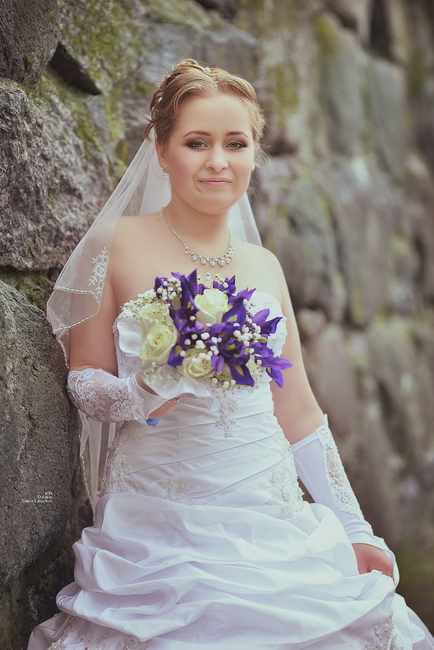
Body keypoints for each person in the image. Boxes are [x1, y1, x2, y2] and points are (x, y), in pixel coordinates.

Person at [28, 59, 434, 649]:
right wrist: (139, 394)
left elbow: (296, 409)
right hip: (158, 518)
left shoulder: (264, 266)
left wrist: (353, 525)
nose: (218, 160)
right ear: (162, 151)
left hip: (267, 511)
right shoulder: (118, 244)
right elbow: (84, 377)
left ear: (253, 154)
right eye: (197, 142)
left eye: (235, 143)